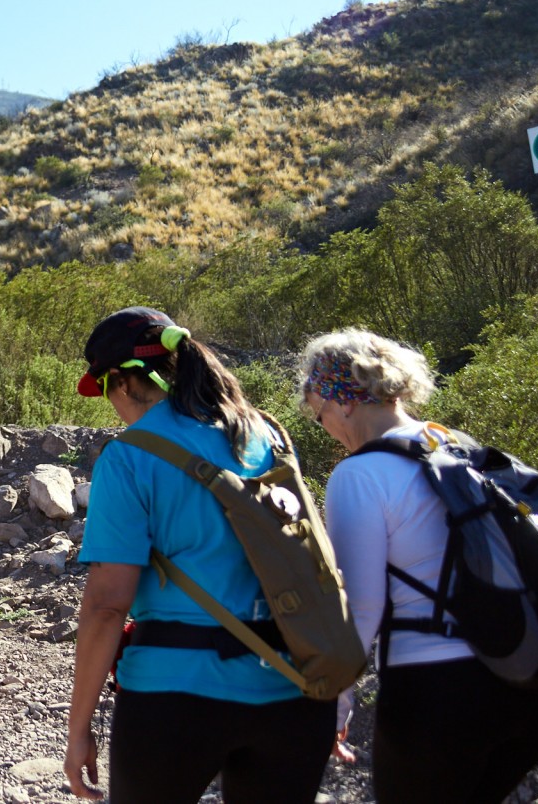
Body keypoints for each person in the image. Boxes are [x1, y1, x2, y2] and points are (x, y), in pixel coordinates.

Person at [63, 307, 335, 802]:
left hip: (175, 695)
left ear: (123, 383)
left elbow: (106, 605)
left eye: (103, 389)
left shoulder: (129, 457)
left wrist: (78, 726)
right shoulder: (265, 434)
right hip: (294, 686)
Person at [297, 329, 538, 804]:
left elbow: (360, 608)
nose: (325, 426)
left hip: (439, 694)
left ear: (339, 401)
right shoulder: (458, 446)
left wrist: (333, 701)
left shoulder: (358, 475)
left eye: (318, 413)